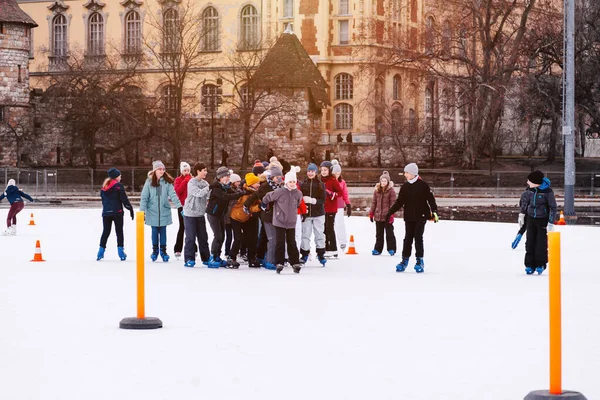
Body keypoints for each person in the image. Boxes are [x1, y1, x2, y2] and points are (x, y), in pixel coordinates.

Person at [385, 163, 438, 273]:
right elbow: (399, 202)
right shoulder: (405, 187)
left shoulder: (423, 185)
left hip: (421, 216)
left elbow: (431, 199)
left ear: (413, 173)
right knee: (407, 239)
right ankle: (404, 260)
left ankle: (419, 261)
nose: (405, 175)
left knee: (418, 238)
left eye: (407, 173)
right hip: (409, 217)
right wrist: (390, 212)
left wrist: (434, 212)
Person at [261, 166, 303, 274]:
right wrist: (264, 205)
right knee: (280, 242)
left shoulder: (298, 193)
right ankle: (279, 262)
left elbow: (298, 203)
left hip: (291, 222)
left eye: (294, 181)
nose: (292, 184)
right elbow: (267, 197)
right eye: (290, 181)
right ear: (286, 182)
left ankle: (295, 262)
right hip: (279, 221)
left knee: (292, 242)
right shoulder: (279, 192)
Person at [140, 160, 182, 262]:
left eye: (163, 169)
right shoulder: (149, 182)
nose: (162, 171)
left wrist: (179, 206)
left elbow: (173, 195)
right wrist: (142, 211)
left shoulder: (167, 182)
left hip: (164, 211)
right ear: (155, 170)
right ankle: (155, 251)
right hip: (152, 212)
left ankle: (163, 251)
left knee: (163, 231)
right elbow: (144, 197)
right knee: (154, 231)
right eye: (160, 169)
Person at [244, 164, 284, 270]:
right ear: (272, 178)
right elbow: (254, 196)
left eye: (280, 177)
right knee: (272, 238)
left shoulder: (282, 187)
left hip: (278, 217)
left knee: (266, 237)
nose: (279, 179)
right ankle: (270, 260)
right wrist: (246, 205)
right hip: (267, 216)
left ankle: (263, 256)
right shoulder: (265, 187)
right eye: (277, 177)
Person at [518, 170, 557, 275]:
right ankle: (529, 265)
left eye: (529, 180)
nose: (527, 182)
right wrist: (522, 214)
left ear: (535, 182)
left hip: (542, 220)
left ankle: (540, 264)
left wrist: (551, 222)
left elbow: (553, 207)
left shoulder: (547, 192)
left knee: (541, 243)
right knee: (530, 242)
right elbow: (525, 203)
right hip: (531, 219)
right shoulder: (529, 190)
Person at [206, 166, 244, 268]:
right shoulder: (216, 187)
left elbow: (233, 193)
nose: (227, 178)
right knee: (218, 236)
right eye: (224, 176)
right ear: (219, 178)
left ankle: (218, 256)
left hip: (221, 214)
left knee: (222, 236)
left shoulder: (226, 186)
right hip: (213, 214)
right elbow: (225, 197)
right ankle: (213, 256)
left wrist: (242, 193)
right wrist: (238, 195)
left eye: (228, 176)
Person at [97, 168, 134, 261]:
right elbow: (124, 199)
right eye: (120, 176)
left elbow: (103, 201)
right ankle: (120, 252)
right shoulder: (118, 186)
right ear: (116, 177)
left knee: (106, 231)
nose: (120, 177)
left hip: (106, 213)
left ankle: (100, 252)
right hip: (117, 212)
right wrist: (130, 208)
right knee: (119, 232)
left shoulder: (104, 188)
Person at [230, 172, 263, 268]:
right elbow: (250, 208)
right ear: (251, 184)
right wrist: (261, 206)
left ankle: (252, 258)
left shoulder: (255, 192)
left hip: (248, 217)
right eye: (257, 183)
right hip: (237, 217)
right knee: (238, 238)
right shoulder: (246, 194)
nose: (258, 185)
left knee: (252, 238)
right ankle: (232, 257)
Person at [182, 162, 211, 268]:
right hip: (190, 214)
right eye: (204, 170)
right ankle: (189, 258)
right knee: (190, 237)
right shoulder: (191, 182)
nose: (206, 173)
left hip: (200, 214)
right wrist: (209, 188)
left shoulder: (205, 183)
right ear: (198, 171)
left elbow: (209, 194)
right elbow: (198, 193)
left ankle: (206, 258)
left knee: (203, 237)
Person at [299, 163, 327, 265]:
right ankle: (305, 253)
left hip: (318, 214)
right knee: (305, 234)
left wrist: (313, 200)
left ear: (316, 172)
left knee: (319, 234)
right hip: (307, 214)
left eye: (312, 171)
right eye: (309, 171)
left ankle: (320, 254)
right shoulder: (303, 184)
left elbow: (323, 199)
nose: (310, 173)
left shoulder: (320, 185)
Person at [369, 171, 397, 256]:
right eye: (382, 181)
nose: (383, 182)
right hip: (378, 216)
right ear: (380, 181)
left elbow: (393, 203)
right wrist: (371, 213)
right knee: (379, 234)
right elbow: (374, 202)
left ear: (388, 182)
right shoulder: (377, 191)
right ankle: (377, 249)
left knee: (389, 233)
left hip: (387, 216)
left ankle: (391, 248)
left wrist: (391, 214)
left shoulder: (391, 191)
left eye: (385, 181)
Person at [320, 160, 343, 257]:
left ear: (329, 170)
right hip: (322, 208)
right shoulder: (320, 180)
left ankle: (333, 248)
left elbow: (340, 192)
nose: (323, 172)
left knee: (329, 228)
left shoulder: (333, 181)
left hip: (331, 209)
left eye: (325, 170)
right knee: (323, 229)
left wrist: (333, 194)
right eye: (322, 170)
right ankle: (325, 248)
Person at [173, 161, 193, 259]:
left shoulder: (192, 179)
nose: (186, 172)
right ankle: (178, 249)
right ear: (181, 171)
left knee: (191, 227)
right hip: (182, 205)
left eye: (188, 170)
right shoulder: (178, 180)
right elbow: (178, 191)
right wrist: (185, 181)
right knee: (182, 226)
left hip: (191, 205)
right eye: (185, 170)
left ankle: (193, 247)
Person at [332, 160, 351, 250]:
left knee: (340, 224)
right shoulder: (330, 181)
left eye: (338, 173)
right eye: (335, 173)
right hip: (330, 205)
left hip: (339, 205)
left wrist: (348, 204)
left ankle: (342, 241)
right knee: (329, 225)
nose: (337, 175)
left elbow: (345, 193)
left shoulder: (342, 182)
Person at [224, 173, 242, 261]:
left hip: (235, 217)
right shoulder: (229, 191)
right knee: (229, 236)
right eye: (237, 182)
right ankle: (227, 252)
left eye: (239, 181)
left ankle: (234, 251)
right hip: (228, 216)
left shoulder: (239, 190)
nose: (238, 183)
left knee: (237, 236)